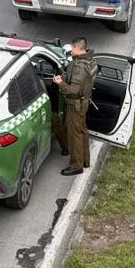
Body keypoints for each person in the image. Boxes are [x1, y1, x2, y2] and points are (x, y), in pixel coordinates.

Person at [52, 39, 98, 176]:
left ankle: (76, 165)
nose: (71, 50)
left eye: (72, 47)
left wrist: (60, 83)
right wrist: (65, 77)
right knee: (82, 131)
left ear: (77, 47)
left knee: (74, 135)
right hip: (84, 103)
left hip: (75, 105)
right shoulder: (91, 61)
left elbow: (73, 90)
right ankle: (84, 160)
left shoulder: (79, 66)